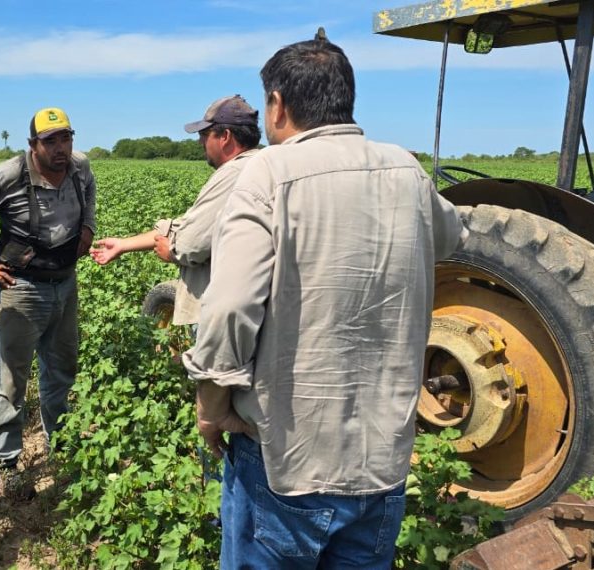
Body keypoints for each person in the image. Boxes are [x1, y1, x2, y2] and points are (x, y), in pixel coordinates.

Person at [182, 38, 466, 568]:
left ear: (278, 104)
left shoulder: (266, 174)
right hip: (382, 461)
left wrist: (211, 408)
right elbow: (451, 237)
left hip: (287, 459)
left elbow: (227, 310)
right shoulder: (405, 169)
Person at [0, 107, 96, 488]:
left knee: (62, 369)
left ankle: (59, 441)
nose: (61, 149)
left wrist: (88, 226)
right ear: (34, 145)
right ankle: (4, 461)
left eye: (66, 138)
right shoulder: (9, 175)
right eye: (50, 141)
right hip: (21, 289)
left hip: (65, 283)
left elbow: (89, 194)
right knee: (11, 378)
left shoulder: (80, 167)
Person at [89, 95, 261, 328]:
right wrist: (123, 244)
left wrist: (171, 251)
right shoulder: (263, 164)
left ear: (225, 137)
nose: (200, 143)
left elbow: (191, 243)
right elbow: (188, 225)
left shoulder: (235, 173)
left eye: (204, 135)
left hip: (226, 314)